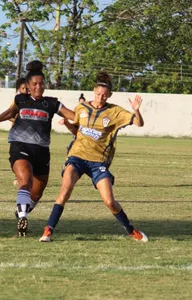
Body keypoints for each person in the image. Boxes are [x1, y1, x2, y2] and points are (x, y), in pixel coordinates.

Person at [39, 71, 148, 243]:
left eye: (104, 95)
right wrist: (67, 123)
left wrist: (136, 110)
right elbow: (76, 131)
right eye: (98, 94)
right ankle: (48, 231)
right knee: (65, 191)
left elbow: (139, 123)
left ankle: (130, 230)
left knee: (110, 202)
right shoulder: (81, 108)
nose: (100, 98)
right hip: (77, 156)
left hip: (98, 162)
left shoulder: (115, 112)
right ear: (93, 92)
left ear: (109, 95)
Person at [0, 60, 75, 237]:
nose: (38, 87)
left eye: (41, 83)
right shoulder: (20, 99)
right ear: (28, 86)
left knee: (37, 193)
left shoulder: (52, 104)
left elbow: (74, 116)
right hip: (20, 146)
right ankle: (23, 218)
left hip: (42, 152)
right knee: (25, 181)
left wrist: (91, 115)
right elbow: (10, 113)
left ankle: (21, 211)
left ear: (45, 85)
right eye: (34, 84)